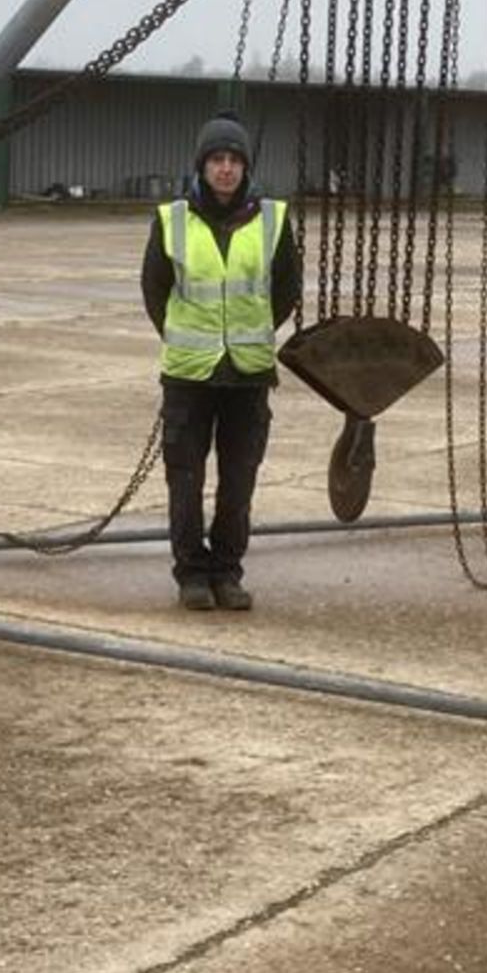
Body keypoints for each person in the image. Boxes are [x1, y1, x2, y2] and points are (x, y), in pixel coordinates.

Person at [140, 111, 301, 611]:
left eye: (234, 160)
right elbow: (155, 289)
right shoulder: (172, 220)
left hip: (248, 374)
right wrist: (188, 338)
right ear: (202, 167)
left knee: (238, 482)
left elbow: (285, 290)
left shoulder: (274, 219)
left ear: (245, 167)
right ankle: (191, 573)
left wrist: (247, 335)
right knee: (185, 480)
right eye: (217, 160)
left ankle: (227, 572)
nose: (226, 169)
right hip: (189, 375)